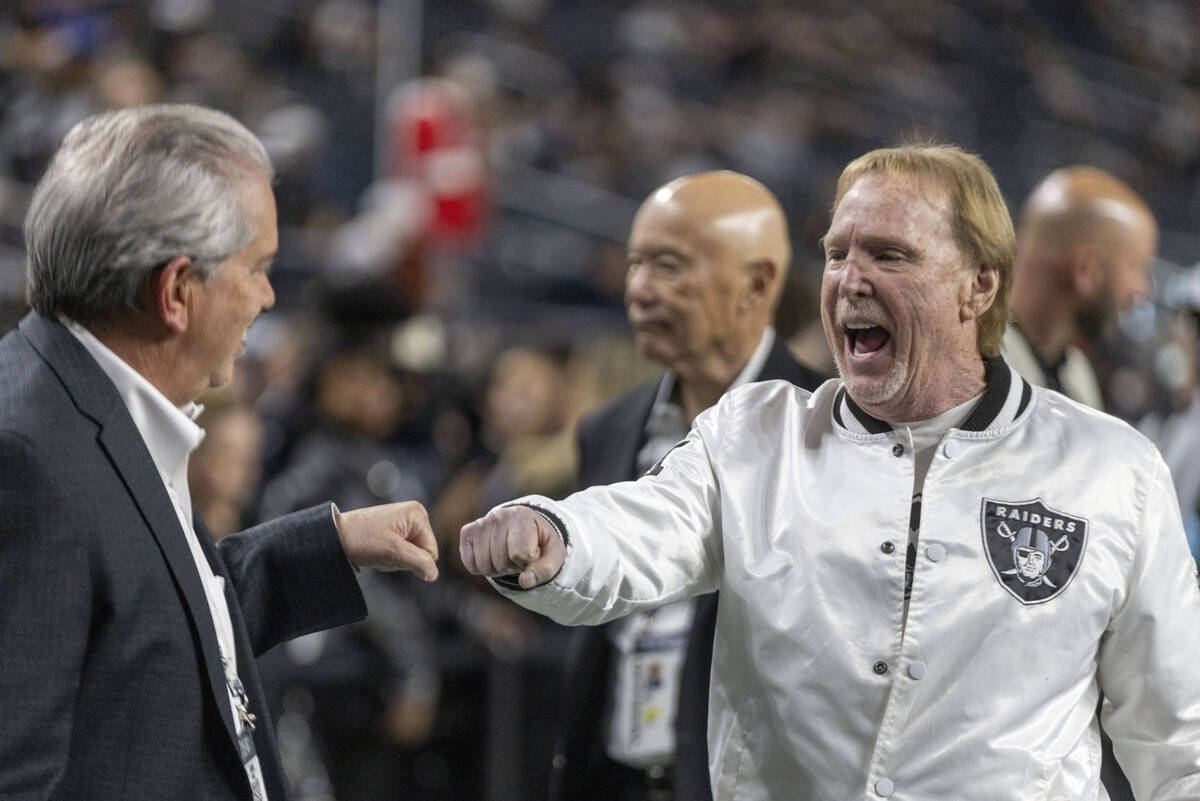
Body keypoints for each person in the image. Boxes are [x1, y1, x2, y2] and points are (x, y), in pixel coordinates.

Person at [459, 145, 1200, 799]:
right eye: (838, 251)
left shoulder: (1112, 468)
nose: (849, 277)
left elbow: (1177, 730)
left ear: (979, 285)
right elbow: (641, 526)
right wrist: (554, 532)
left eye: (889, 254)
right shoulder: (756, 433)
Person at [0, 104, 440, 801]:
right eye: (258, 267)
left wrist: (327, 544)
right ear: (176, 292)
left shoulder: (93, 404)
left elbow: (149, 622)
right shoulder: (26, 458)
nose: (268, 296)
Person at [551, 171, 824, 801]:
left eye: (669, 267)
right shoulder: (607, 429)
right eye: (635, 264)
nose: (640, 290)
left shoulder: (829, 428)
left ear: (758, 283)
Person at [1005, 165, 1157, 409]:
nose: (1142, 291)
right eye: (1135, 266)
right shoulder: (975, 368)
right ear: (1086, 269)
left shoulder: (1076, 372)